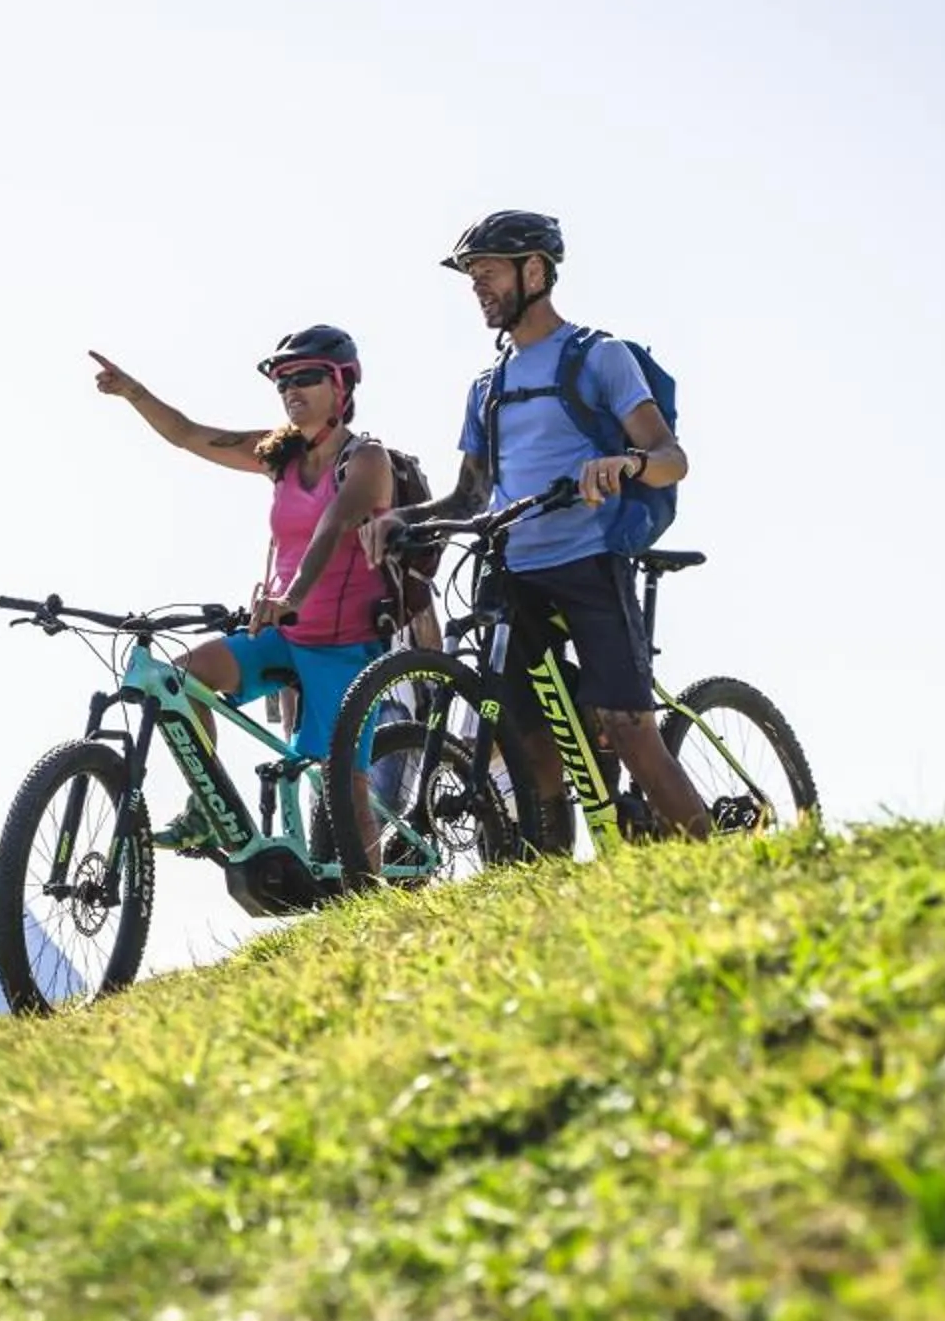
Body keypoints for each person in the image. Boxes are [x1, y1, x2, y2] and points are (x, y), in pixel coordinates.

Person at [367, 210, 714, 842]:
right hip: (511, 572)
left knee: (626, 723)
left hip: (588, 558)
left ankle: (714, 858)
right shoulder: (487, 386)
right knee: (525, 738)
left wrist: (625, 463)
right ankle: (551, 878)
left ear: (535, 271)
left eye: (489, 272)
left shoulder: (598, 357)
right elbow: (469, 495)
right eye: (472, 277)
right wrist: (404, 518)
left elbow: (672, 460)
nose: (478, 288)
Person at [88, 326, 420, 850]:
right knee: (182, 683)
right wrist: (134, 393)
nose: (292, 389)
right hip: (286, 635)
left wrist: (291, 597)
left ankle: (376, 909)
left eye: (307, 377)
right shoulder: (280, 455)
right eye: (283, 380)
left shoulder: (365, 461)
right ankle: (208, 809)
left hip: (346, 645)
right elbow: (188, 433)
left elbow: (332, 529)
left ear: (342, 387)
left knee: (346, 788)